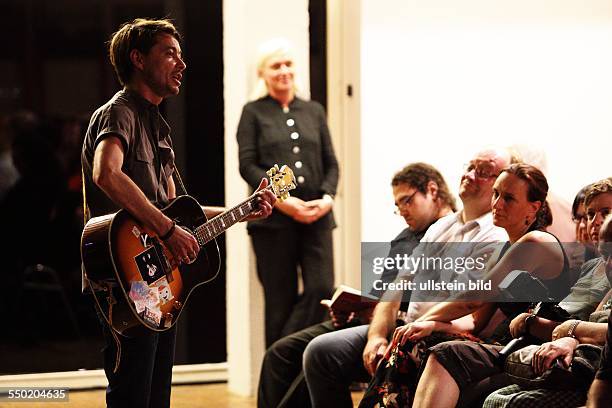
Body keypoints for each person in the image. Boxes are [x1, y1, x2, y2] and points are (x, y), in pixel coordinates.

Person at [81, 19, 275, 407]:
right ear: (138, 59)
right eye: (169, 53)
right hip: (122, 277)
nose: (181, 64)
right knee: (132, 394)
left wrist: (242, 211)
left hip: (158, 283)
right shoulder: (119, 113)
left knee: (156, 397)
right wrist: (169, 230)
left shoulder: (159, 126)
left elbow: (179, 210)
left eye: (181, 55)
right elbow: (107, 173)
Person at [302, 147, 513, 408]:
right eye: (469, 167)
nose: (469, 174)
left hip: (438, 333)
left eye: (482, 172)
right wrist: (376, 337)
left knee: (409, 352)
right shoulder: (441, 226)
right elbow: (396, 287)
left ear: (499, 185)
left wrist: (408, 331)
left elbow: (467, 307)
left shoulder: (494, 235)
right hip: (406, 327)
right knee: (320, 352)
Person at [257, 162, 456, 408]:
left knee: (316, 356)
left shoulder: (451, 235)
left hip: (396, 323)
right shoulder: (404, 237)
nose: (403, 210)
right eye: (397, 205)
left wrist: (376, 315)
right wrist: (354, 306)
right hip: (368, 316)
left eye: (407, 201)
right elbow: (383, 291)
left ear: (433, 191)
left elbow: (423, 302)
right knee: (279, 353)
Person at [409, 164, 575, 408]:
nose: (496, 204)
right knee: (415, 341)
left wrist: (418, 322)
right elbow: (476, 320)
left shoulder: (537, 242)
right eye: (496, 194)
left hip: (536, 344)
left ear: (534, 207)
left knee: (443, 352)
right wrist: (429, 324)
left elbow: (472, 300)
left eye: (508, 198)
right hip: (506, 342)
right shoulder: (504, 250)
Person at [236, 38, 340, 347]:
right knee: (278, 303)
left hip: (317, 217)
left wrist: (327, 198)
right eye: (275, 66)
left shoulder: (314, 110)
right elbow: (247, 165)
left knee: (321, 289)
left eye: (288, 64)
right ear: (263, 74)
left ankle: (286, 355)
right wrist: (281, 201)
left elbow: (331, 163)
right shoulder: (253, 112)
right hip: (273, 222)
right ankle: (277, 387)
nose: (283, 71)